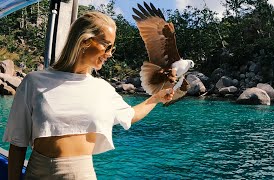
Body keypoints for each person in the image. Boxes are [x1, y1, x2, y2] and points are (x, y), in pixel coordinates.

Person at [3, 11, 175, 180]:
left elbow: (129, 115)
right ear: (85, 40)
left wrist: (156, 98)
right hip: (37, 173)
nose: (109, 54)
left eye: (112, 48)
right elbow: (18, 143)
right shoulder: (34, 82)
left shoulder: (101, 88)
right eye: (107, 46)